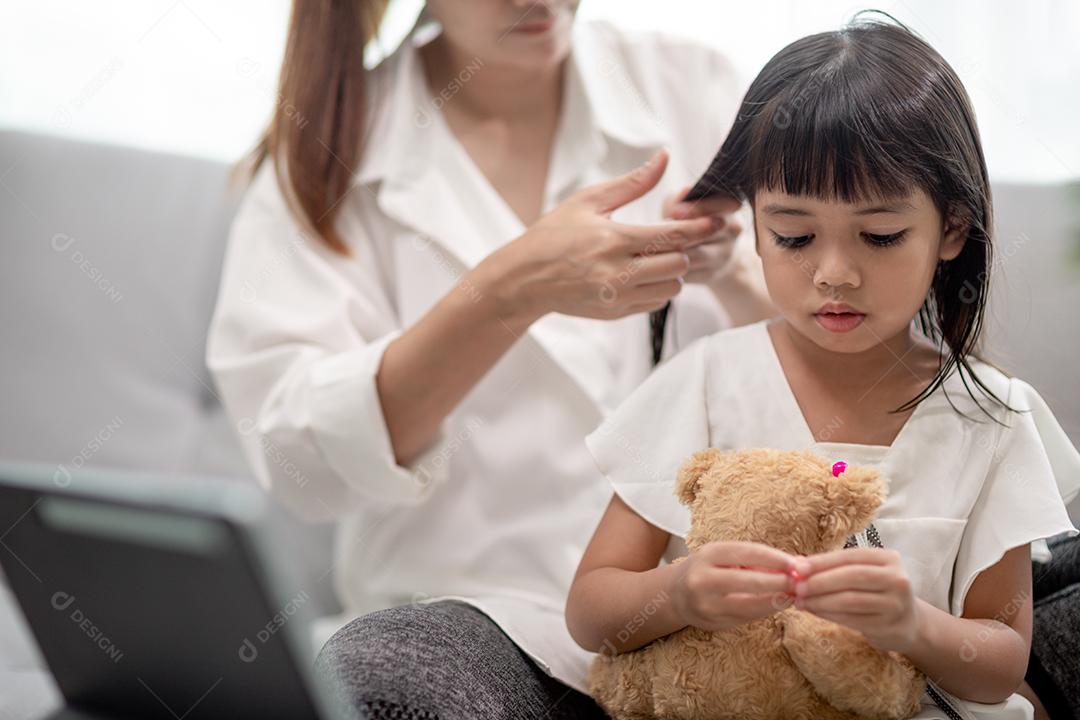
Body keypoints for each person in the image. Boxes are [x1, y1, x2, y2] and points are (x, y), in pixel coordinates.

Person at [206, 1, 777, 717]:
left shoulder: (692, 87)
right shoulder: (326, 152)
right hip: (474, 624)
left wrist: (736, 273)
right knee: (390, 681)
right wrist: (506, 292)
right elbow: (300, 459)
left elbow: (866, 364)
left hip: (707, 622)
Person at [566, 17, 1080, 720]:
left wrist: (914, 626)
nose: (834, 274)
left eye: (879, 236)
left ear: (953, 228)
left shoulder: (989, 417)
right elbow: (592, 609)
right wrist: (679, 593)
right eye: (794, 235)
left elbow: (999, 664)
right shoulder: (707, 381)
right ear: (754, 225)